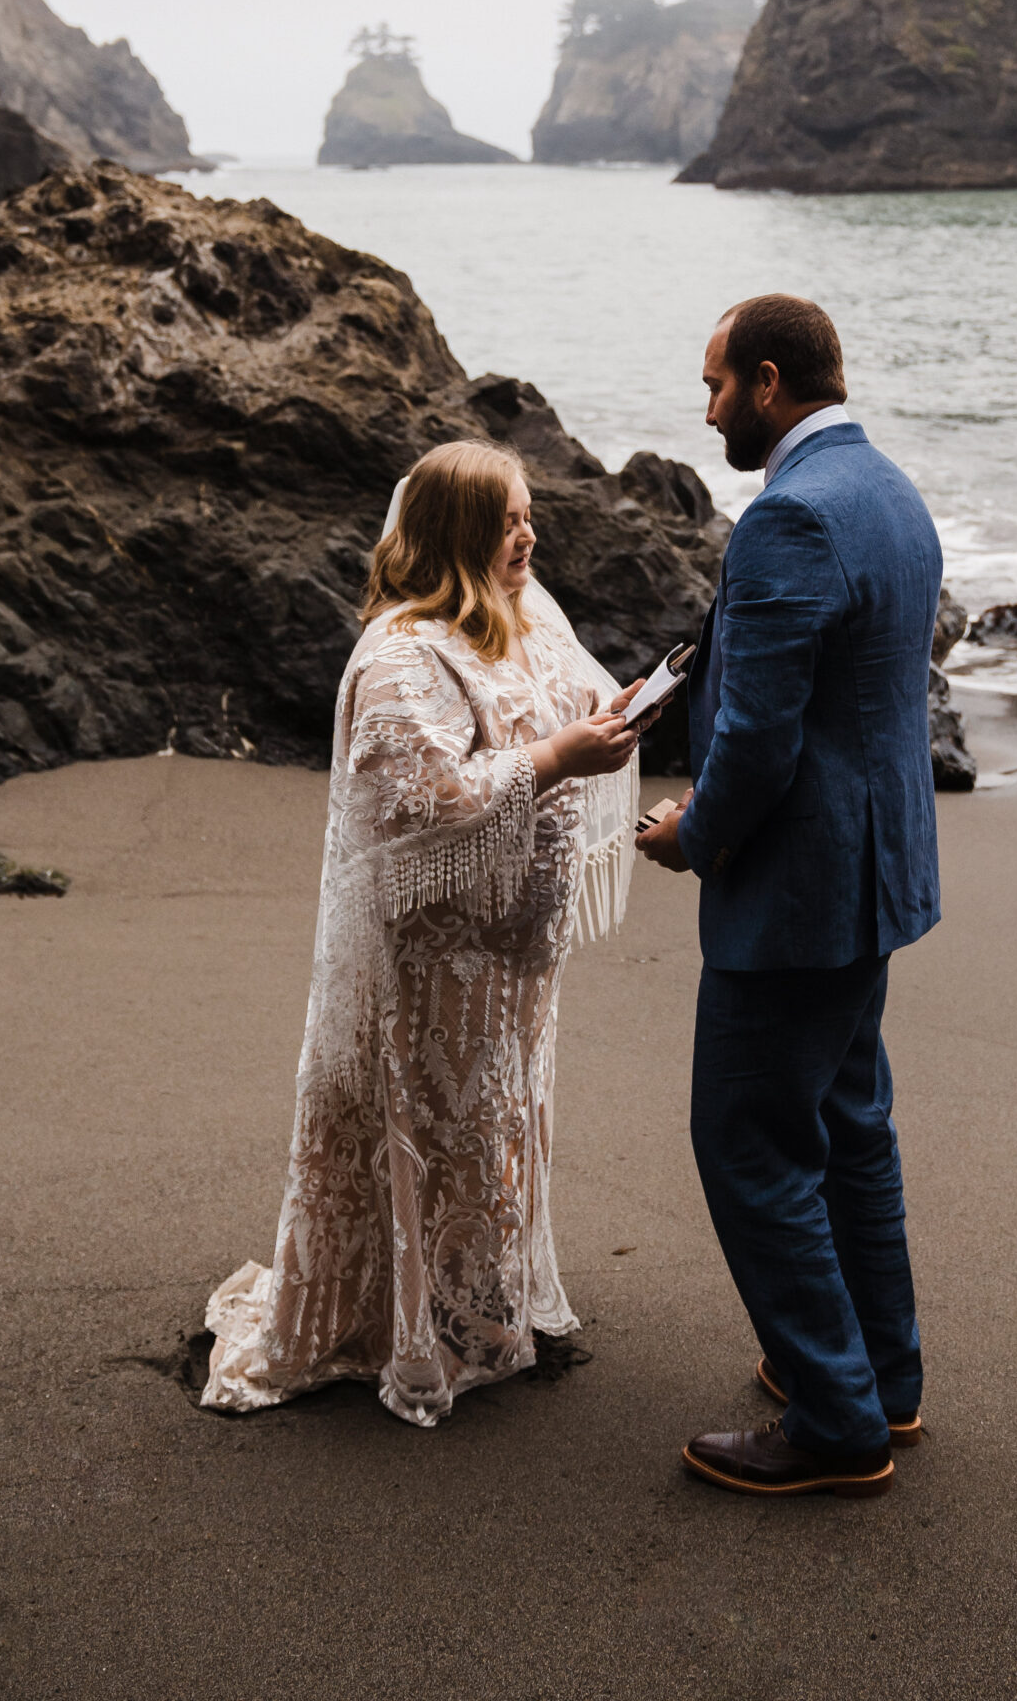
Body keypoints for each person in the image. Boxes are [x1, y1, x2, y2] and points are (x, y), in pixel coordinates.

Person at [202, 440, 643, 1428]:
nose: (529, 534)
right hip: (435, 961)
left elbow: (576, 697)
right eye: (508, 520)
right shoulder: (403, 653)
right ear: (457, 533)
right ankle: (412, 1328)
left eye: (531, 515)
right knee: (442, 1131)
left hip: (513, 963)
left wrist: (611, 718)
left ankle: (482, 1313)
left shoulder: (527, 617)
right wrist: (559, 755)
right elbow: (421, 798)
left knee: (496, 1131)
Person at [637, 295, 942, 1499]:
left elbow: (760, 741)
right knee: (850, 1125)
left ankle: (834, 1419)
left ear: (769, 382)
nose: (707, 408)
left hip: (799, 893)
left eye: (715, 385)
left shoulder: (790, 520)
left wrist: (691, 835)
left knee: (750, 1144)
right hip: (872, 878)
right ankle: (884, 1376)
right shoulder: (891, 491)